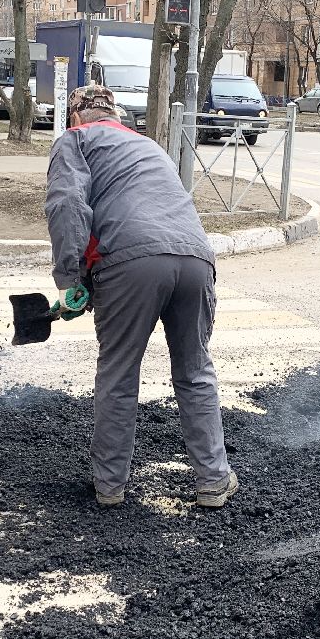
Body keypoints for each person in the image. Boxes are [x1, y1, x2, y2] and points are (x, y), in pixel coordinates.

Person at [45, 84, 237, 510]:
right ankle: (213, 481)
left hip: (132, 264)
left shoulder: (74, 140)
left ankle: (110, 487)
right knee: (195, 369)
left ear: (76, 117)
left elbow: (68, 206)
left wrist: (70, 279)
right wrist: (89, 280)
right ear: (117, 117)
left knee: (119, 373)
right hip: (196, 260)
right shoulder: (149, 147)